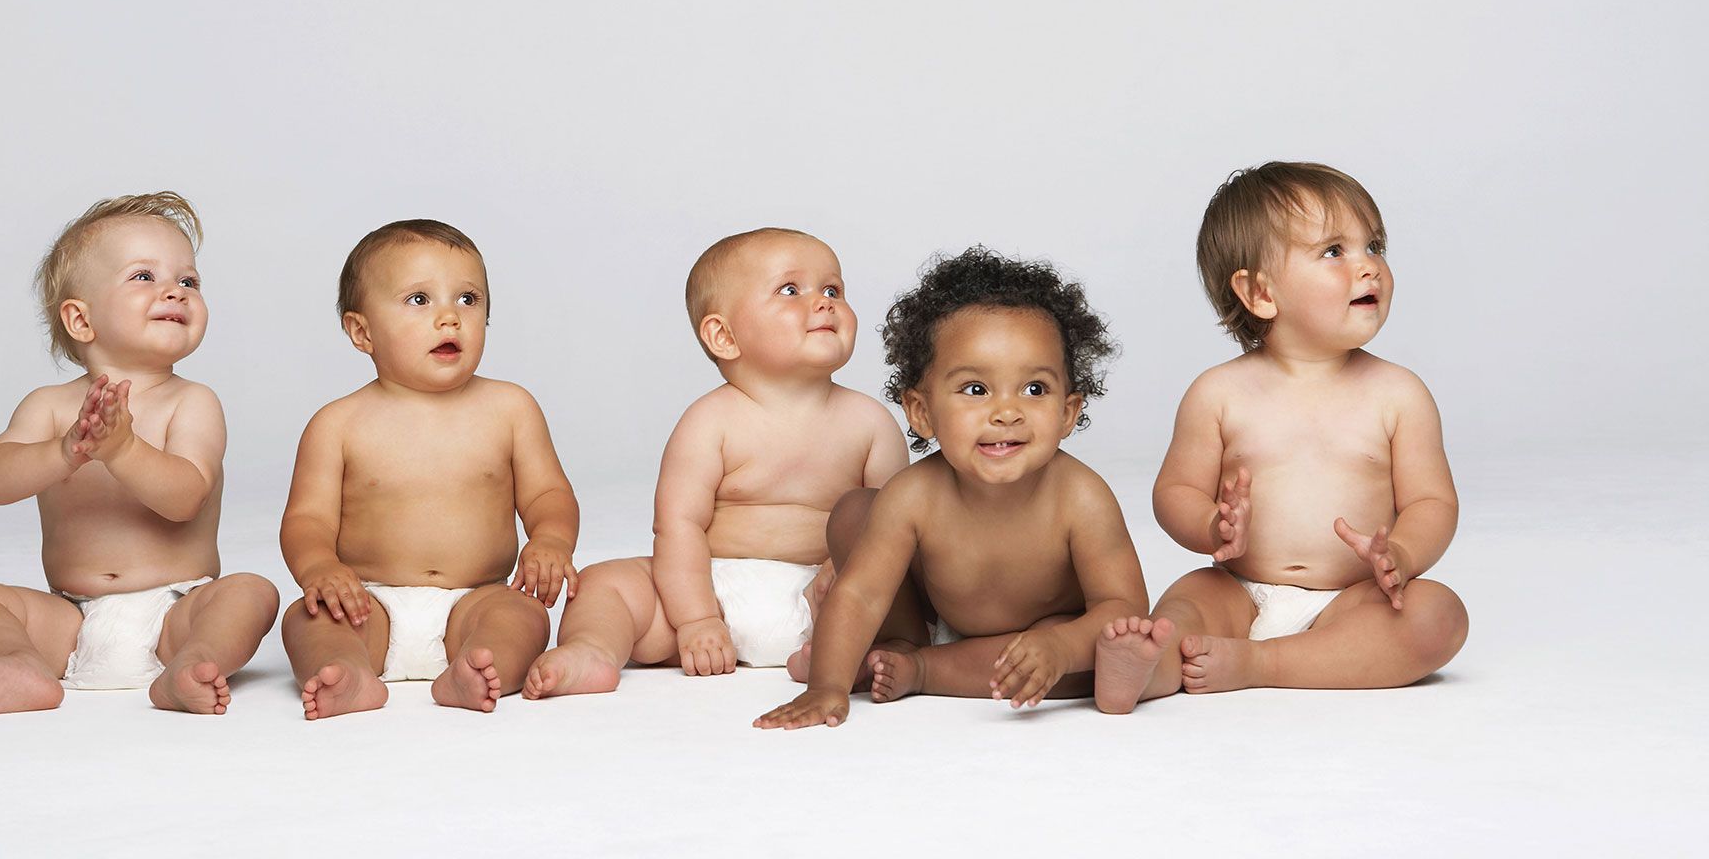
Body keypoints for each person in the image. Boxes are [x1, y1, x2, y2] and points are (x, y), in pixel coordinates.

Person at [1094, 163, 1468, 714]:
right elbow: (1173, 491)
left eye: (1375, 246)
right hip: (1239, 588)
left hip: (1353, 598)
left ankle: (1263, 664)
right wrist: (1211, 525)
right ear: (1261, 292)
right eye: (1335, 251)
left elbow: (1432, 501)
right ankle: (1146, 666)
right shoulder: (1218, 393)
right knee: (1189, 602)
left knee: (1438, 615)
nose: (1369, 267)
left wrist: (1403, 554)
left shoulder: (1399, 394)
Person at [755, 246, 1148, 729]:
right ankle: (898, 642)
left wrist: (1061, 647)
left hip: (1033, 639)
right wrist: (826, 688)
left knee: (1086, 661)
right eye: (976, 389)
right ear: (922, 412)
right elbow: (859, 596)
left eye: (1035, 389)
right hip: (934, 610)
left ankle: (921, 668)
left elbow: (1124, 607)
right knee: (858, 511)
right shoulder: (914, 495)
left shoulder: (1082, 497)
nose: (1006, 411)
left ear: (1068, 413)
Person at [524, 227, 906, 699]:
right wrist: (696, 618)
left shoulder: (870, 422)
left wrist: (843, 571)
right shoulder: (710, 421)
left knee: (895, 599)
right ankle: (593, 651)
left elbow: (895, 523)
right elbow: (678, 526)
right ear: (723, 336)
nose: (824, 302)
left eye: (833, 289)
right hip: (714, 591)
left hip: (826, 595)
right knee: (607, 585)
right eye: (791, 290)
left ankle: (837, 656)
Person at [0, 192, 278, 716]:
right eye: (144, 277)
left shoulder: (192, 402)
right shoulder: (50, 408)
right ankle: (22, 664)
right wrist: (66, 450)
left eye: (189, 281)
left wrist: (122, 449)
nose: (176, 291)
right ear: (80, 320)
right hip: (70, 619)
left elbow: (185, 497)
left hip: (177, 611)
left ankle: (195, 663)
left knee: (251, 593)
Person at [280, 220, 579, 718]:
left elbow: (549, 494)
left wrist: (550, 541)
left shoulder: (511, 408)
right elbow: (306, 520)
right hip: (368, 602)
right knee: (307, 621)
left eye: (468, 299)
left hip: (477, 599)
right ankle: (347, 671)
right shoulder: (337, 424)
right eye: (419, 300)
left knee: (523, 615)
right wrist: (320, 569)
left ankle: (477, 670)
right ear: (362, 331)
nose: (450, 318)